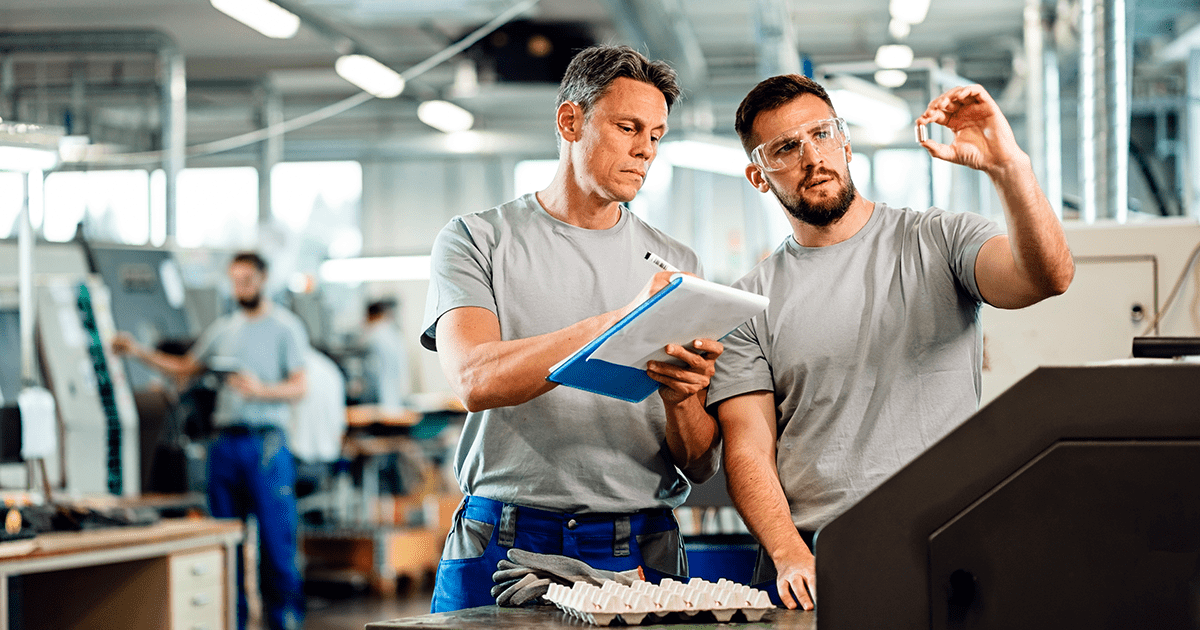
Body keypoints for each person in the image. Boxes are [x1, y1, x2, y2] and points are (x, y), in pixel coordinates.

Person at [708, 75, 1075, 611]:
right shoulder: (748, 304)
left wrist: (1009, 168)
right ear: (758, 176)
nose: (813, 156)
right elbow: (749, 451)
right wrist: (789, 554)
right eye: (786, 148)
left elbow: (1046, 278)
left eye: (823, 134)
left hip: (951, 544)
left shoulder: (940, 239)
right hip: (823, 559)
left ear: (846, 142)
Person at [420, 44, 723, 612]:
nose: (644, 150)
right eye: (628, 127)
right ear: (570, 120)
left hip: (638, 546)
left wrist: (684, 401)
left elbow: (700, 461)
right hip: (504, 543)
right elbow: (474, 379)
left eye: (656, 135)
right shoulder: (476, 240)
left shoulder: (678, 266)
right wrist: (619, 324)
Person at [113, 251, 308, 630]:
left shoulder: (286, 328)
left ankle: (284, 620)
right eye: (235, 281)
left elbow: (301, 385)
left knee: (276, 544)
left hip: (265, 445)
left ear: (263, 279)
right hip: (225, 446)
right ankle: (230, 620)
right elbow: (186, 367)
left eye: (247, 281)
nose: (241, 288)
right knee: (226, 541)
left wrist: (260, 390)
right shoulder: (224, 329)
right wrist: (136, 351)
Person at [359, 299, 412, 410]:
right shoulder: (394, 335)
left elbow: (373, 371)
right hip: (397, 397)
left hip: (380, 399)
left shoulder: (374, 336)